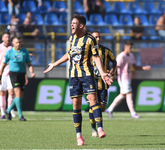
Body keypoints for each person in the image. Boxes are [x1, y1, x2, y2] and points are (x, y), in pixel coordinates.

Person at [44, 14, 113, 146]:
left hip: (87, 75)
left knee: (93, 99)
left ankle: (99, 128)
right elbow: (69, 54)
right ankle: (79, 135)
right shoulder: (71, 39)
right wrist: (54, 64)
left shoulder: (90, 39)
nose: (71, 25)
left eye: (74, 23)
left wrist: (103, 73)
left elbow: (96, 57)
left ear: (81, 25)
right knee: (76, 105)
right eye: (71, 23)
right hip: (74, 76)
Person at [105, 41, 151, 118]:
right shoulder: (121, 56)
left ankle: (110, 109)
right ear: (125, 47)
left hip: (128, 78)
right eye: (130, 47)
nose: (131, 49)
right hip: (123, 78)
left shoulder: (131, 56)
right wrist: (112, 77)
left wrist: (144, 68)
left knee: (122, 95)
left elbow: (135, 66)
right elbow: (116, 67)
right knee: (129, 93)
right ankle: (133, 113)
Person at [0, 36, 35, 121]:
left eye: (19, 42)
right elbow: (2, 65)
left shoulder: (24, 52)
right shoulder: (9, 52)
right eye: (17, 42)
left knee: (20, 96)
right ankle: (20, 116)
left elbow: (29, 64)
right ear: (13, 43)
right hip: (13, 75)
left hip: (22, 74)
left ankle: (8, 110)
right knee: (17, 93)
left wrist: (31, 72)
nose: (18, 44)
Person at [87, 31, 117, 137]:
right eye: (96, 37)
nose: (98, 39)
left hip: (103, 82)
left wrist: (112, 72)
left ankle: (97, 125)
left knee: (102, 107)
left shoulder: (105, 51)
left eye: (99, 37)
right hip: (91, 82)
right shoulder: (87, 50)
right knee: (93, 104)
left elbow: (114, 61)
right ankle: (94, 129)